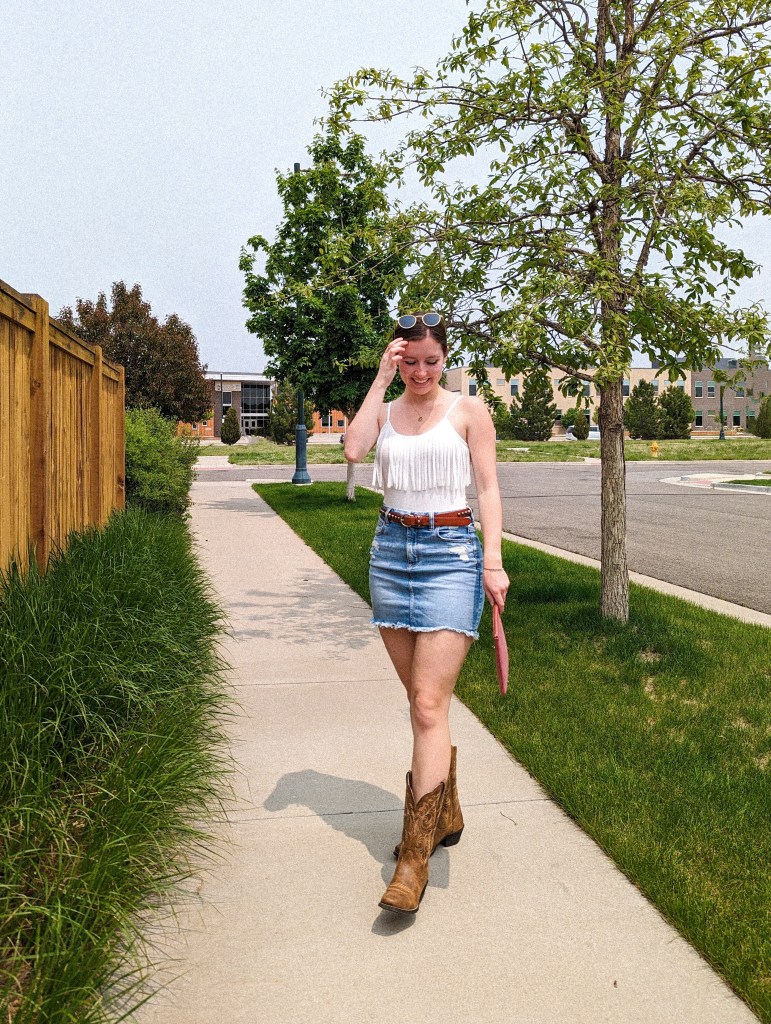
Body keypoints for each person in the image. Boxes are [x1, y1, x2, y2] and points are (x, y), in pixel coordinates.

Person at [344, 312, 509, 915]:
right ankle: (448, 810)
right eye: (408, 361)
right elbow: (355, 450)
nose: (419, 372)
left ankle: (414, 857)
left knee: (426, 704)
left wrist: (492, 563)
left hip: (451, 554)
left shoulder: (469, 411)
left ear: (446, 360)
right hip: (390, 554)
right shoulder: (386, 409)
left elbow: (488, 489)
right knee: (422, 704)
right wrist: (378, 380)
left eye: (429, 362)